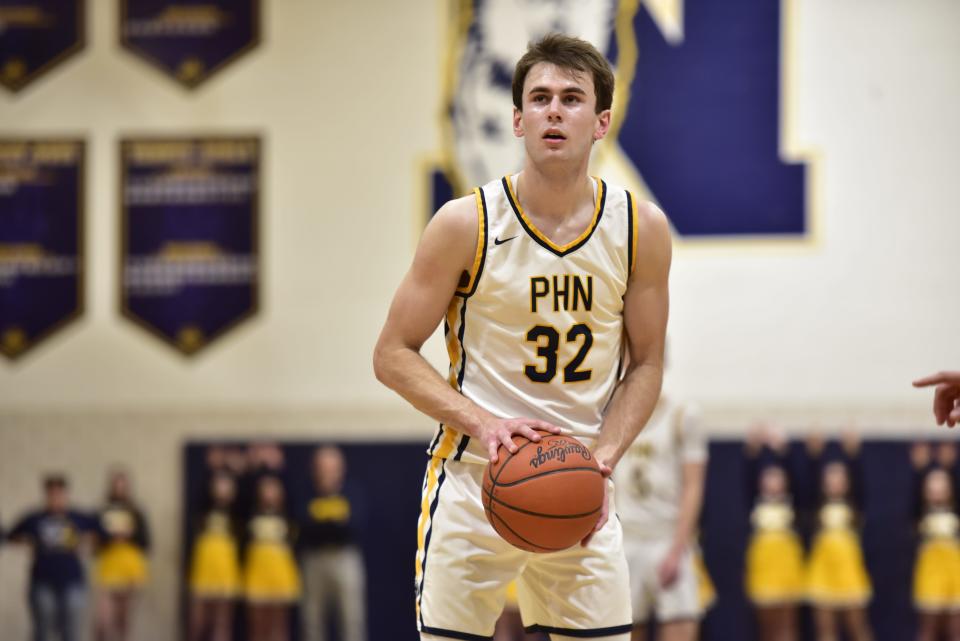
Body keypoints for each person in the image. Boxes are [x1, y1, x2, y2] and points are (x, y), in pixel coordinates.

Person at [373, 33, 671, 641]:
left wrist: (603, 460)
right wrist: (484, 424)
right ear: (517, 119)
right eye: (539, 98)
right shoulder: (465, 224)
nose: (554, 110)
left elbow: (646, 366)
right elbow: (392, 354)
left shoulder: (641, 228)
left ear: (601, 121)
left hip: (582, 484)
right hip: (475, 479)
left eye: (571, 98)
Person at [613, 397, 708, 641]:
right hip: (626, 539)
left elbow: (693, 486)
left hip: (667, 537)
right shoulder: (612, 413)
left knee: (681, 623)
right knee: (622, 631)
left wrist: (678, 548)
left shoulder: (682, 414)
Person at [7, 474, 100, 641]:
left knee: (71, 630)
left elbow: (100, 533)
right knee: (42, 629)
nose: (56, 498)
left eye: (60, 494)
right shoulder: (35, 518)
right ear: (46, 495)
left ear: (66, 494)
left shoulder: (78, 517)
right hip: (42, 580)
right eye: (52, 494)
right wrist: (28, 542)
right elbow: (12, 536)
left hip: (72, 580)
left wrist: (86, 543)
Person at [804, 433, 873, 641]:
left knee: (858, 627)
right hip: (822, 571)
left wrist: (853, 455)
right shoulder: (816, 507)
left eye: (840, 478)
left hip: (849, 572)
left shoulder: (854, 507)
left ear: (847, 482)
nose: (835, 482)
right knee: (826, 631)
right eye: (830, 478)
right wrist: (814, 458)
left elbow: (861, 485)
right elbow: (807, 487)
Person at [742, 425, 805, 641]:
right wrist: (753, 450)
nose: (773, 481)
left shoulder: (791, 501)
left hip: (786, 563)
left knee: (788, 623)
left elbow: (799, 479)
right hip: (763, 563)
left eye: (777, 477)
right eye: (768, 477)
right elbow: (748, 476)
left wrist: (782, 451)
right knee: (765, 624)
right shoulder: (755, 502)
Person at [299, 445, 368, 641]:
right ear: (315, 468)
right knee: (312, 619)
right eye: (323, 467)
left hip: (345, 559)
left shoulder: (351, 492)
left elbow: (354, 527)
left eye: (332, 467)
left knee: (351, 619)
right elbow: (304, 526)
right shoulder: (307, 493)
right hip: (314, 559)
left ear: (341, 468)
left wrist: (324, 524)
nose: (327, 472)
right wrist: (333, 524)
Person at [93, 468, 151, 641]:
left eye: (123, 485)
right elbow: (95, 542)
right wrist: (110, 537)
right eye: (116, 485)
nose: (119, 489)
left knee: (124, 620)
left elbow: (146, 541)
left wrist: (129, 536)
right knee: (103, 620)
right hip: (109, 566)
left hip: (130, 566)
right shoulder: (102, 511)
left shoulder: (137, 512)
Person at [910, 442, 960, 641]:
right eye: (932, 488)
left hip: (955, 575)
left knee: (955, 631)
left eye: (942, 487)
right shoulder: (920, 514)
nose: (937, 491)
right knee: (928, 630)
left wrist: (949, 467)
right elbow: (914, 503)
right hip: (930, 574)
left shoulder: (955, 511)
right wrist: (920, 470)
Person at [243, 474, 301, 641]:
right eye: (266, 488)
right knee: (258, 625)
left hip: (280, 573)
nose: (269, 493)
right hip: (257, 572)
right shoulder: (251, 514)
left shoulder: (288, 515)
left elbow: (294, 540)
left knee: (280, 625)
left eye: (273, 488)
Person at [188, 470, 242, 641]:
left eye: (226, 485)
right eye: (219, 484)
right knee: (198, 620)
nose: (222, 489)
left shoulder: (237, 511)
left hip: (226, 569)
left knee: (222, 622)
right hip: (204, 569)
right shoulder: (202, 508)